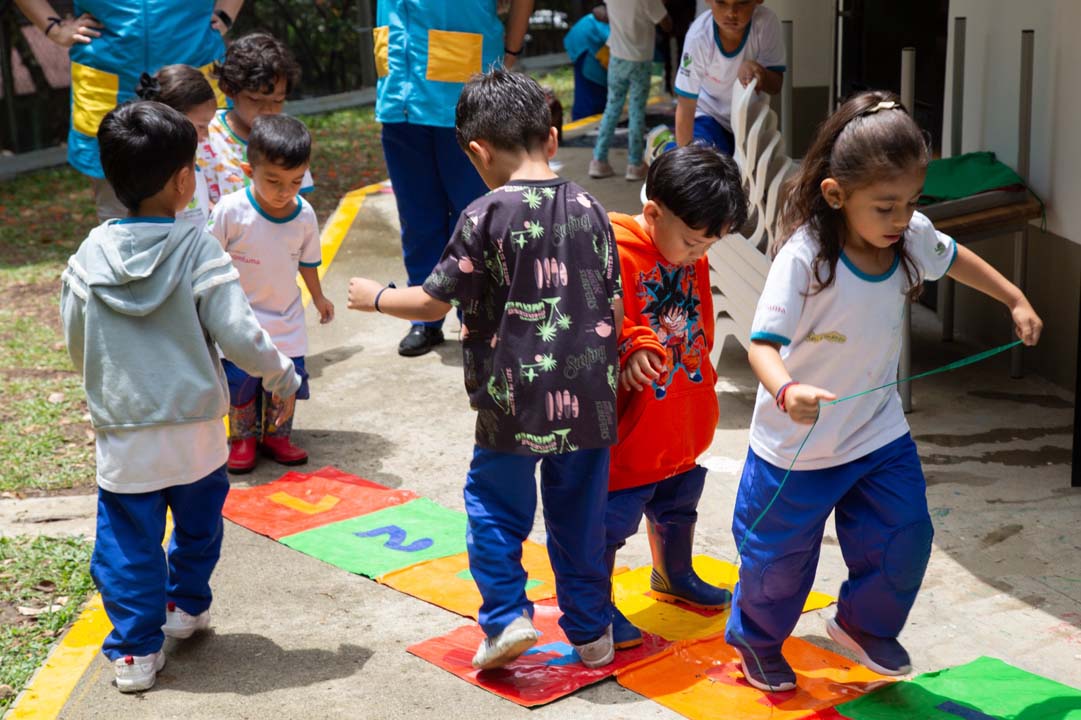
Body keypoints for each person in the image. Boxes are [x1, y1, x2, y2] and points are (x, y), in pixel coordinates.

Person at [725, 91, 1043, 692]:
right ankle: (757, 638)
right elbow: (762, 345)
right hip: (797, 447)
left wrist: (1014, 298)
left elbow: (956, 257)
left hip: (877, 433)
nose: (902, 219)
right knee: (778, 564)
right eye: (886, 206)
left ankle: (863, 625)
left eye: (912, 202)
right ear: (836, 195)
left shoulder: (910, 236)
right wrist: (787, 390)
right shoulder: (805, 257)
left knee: (905, 535)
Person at [347, 69, 623, 670]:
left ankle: (505, 618)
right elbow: (614, 306)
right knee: (582, 516)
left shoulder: (484, 214)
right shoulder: (592, 208)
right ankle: (592, 632)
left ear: (478, 151)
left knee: (494, 507)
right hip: (590, 395)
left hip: (513, 397)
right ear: (552, 138)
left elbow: (432, 302)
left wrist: (376, 297)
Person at [60, 101, 300, 693]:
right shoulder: (197, 249)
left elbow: (76, 340)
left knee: (127, 545)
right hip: (195, 432)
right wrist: (281, 375)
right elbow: (240, 335)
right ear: (184, 179)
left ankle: (134, 653)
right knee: (198, 529)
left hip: (126, 436)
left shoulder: (88, 257)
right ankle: (186, 606)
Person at [603, 145, 747, 649]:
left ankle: (673, 573)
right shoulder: (612, 250)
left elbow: (701, 321)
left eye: (708, 245)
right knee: (611, 518)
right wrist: (627, 347)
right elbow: (596, 321)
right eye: (691, 242)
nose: (697, 255)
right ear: (653, 213)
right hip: (632, 423)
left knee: (679, 499)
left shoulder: (687, 252)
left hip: (680, 410)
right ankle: (595, 603)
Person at [374, 0, 533, 357]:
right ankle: (424, 317)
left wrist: (511, 51)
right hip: (399, 94)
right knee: (417, 217)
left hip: (462, 95)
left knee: (475, 217)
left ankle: (478, 317)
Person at [13, 0, 243, 221]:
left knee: (214, 205)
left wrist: (225, 13)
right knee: (120, 211)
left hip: (192, 74)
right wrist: (54, 29)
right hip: (108, 80)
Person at [208, 114, 333, 473]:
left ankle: (278, 436)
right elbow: (208, 261)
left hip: (285, 317)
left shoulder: (304, 216)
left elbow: (308, 262)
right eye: (274, 181)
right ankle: (242, 439)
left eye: (296, 181)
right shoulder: (231, 211)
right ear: (249, 171)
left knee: (287, 379)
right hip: (238, 320)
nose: (285, 191)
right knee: (240, 382)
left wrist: (319, 297)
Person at [201, 32, 313, 206]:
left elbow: (300, 203)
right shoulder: (204, 133)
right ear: (229, 89)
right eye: (255, 99)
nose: (268, 110)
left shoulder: (286, 137)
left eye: (278, 100)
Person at [674, 0, 785, 154]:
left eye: (742, 3)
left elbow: (776, 84)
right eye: (721, 2)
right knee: (705, 160)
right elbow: (686, 103)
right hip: (708, 116)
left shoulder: (766, 24)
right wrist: (683, 158)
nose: (731, 13)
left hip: (749, 122)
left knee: (746, 166)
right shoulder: (698, 37)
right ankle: (666, 149)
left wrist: (759, 72)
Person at [589, 0, 671, 182]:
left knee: (612, 108)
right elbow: (666, 24)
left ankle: (598, 160)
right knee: (636, 112)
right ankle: (634, 164)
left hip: (617, 58)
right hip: (640, 60)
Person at [134, 66, 219, 226]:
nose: (206, 135)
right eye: (201, 126)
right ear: (172, 120)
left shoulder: (186, 154)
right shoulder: (157, 172)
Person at [563, 3, 610, 121]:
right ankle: (584, 120)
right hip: (587, 44)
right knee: (591, 88)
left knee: (593, 88)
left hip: (587, 40)